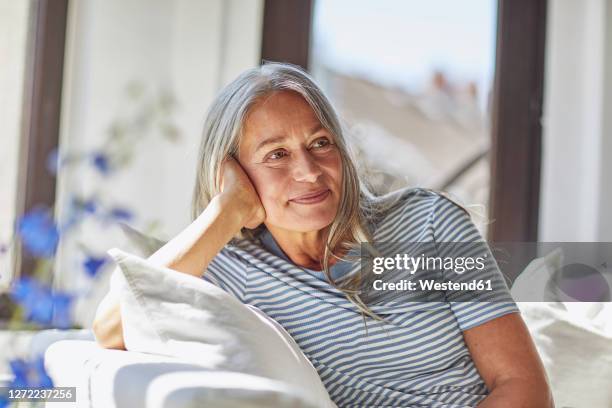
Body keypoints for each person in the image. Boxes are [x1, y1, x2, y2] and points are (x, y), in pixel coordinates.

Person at [93, 62, 553, 407]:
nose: (309, 172)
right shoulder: (226, 266)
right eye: (276, 154)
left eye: (319, 144)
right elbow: (112, 328)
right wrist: (224, 212)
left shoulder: (428, 223)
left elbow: (523, 388)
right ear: (231, 172)